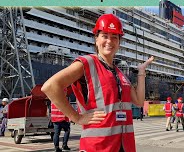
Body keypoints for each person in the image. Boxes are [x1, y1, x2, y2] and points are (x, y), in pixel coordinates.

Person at [41, 14, 154, 152]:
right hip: (97, 146)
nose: (109, 41)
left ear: (119, 42)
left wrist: (141, 72)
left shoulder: (120, 73)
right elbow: (50, 86)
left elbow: (139, 101)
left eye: (114, 37)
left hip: (125, 146)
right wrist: (76, 117)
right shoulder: (87, 63)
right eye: (105, 36)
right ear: (96, 39)